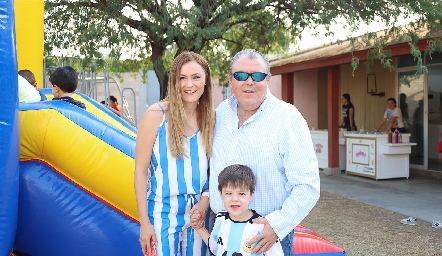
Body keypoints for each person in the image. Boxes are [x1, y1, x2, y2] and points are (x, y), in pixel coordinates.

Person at [208, 49, 320, 255]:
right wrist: (207, 197)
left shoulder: (288, 118)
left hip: (265, 237)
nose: (249, 82)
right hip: (222, 231)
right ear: (230, 80)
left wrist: (277, 226)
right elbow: (214, 168)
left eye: (257, 75)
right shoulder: (220, 114)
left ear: (267, 79)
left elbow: (307, 185)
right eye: (241, 76)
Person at [134, 51, 215, 256]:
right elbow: (140, 171)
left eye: (196, 77)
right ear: (174, 81)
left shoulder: (211, 119)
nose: (189, 84)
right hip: (162, 213)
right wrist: (145, 224)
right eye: (182, 78)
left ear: (206, 81)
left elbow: (214, 171)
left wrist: (205, 202)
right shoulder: (156, 116)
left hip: (198, 214)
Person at [190, 164, 284, 256]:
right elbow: (215, 247)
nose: (234, 199)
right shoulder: (220, 219)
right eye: (229, 193)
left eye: (241, 194)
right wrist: (199, 228)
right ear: (220, 194)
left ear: (251, 195)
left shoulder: (262, 226)